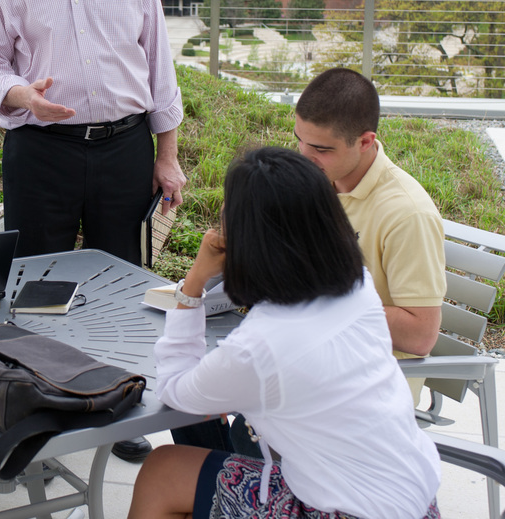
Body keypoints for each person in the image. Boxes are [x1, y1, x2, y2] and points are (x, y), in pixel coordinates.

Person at [0, 0, 187, 462]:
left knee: (127, 286)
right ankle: (46, 404)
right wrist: (18, 94)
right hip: (40, 153)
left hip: (124, 148)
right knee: (38, 285)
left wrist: (165, 155)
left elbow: (158, 64)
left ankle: (124, 410)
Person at [129, 147, 441, 519]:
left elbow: (175, 390)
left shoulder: (259, 348)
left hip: (342, 511)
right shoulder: (358, 284)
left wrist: (195, 281)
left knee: (162, 472)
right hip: (415, 501)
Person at [294, 67, 445, 403]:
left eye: (322, 148)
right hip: (313, 353)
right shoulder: (321, 181)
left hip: (370, 386)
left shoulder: (407, 215)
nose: (305, 157)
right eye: (299, 140)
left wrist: (315, 294)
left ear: (365, 142)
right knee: (195, 378)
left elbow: (421, 336)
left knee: (221, 398)